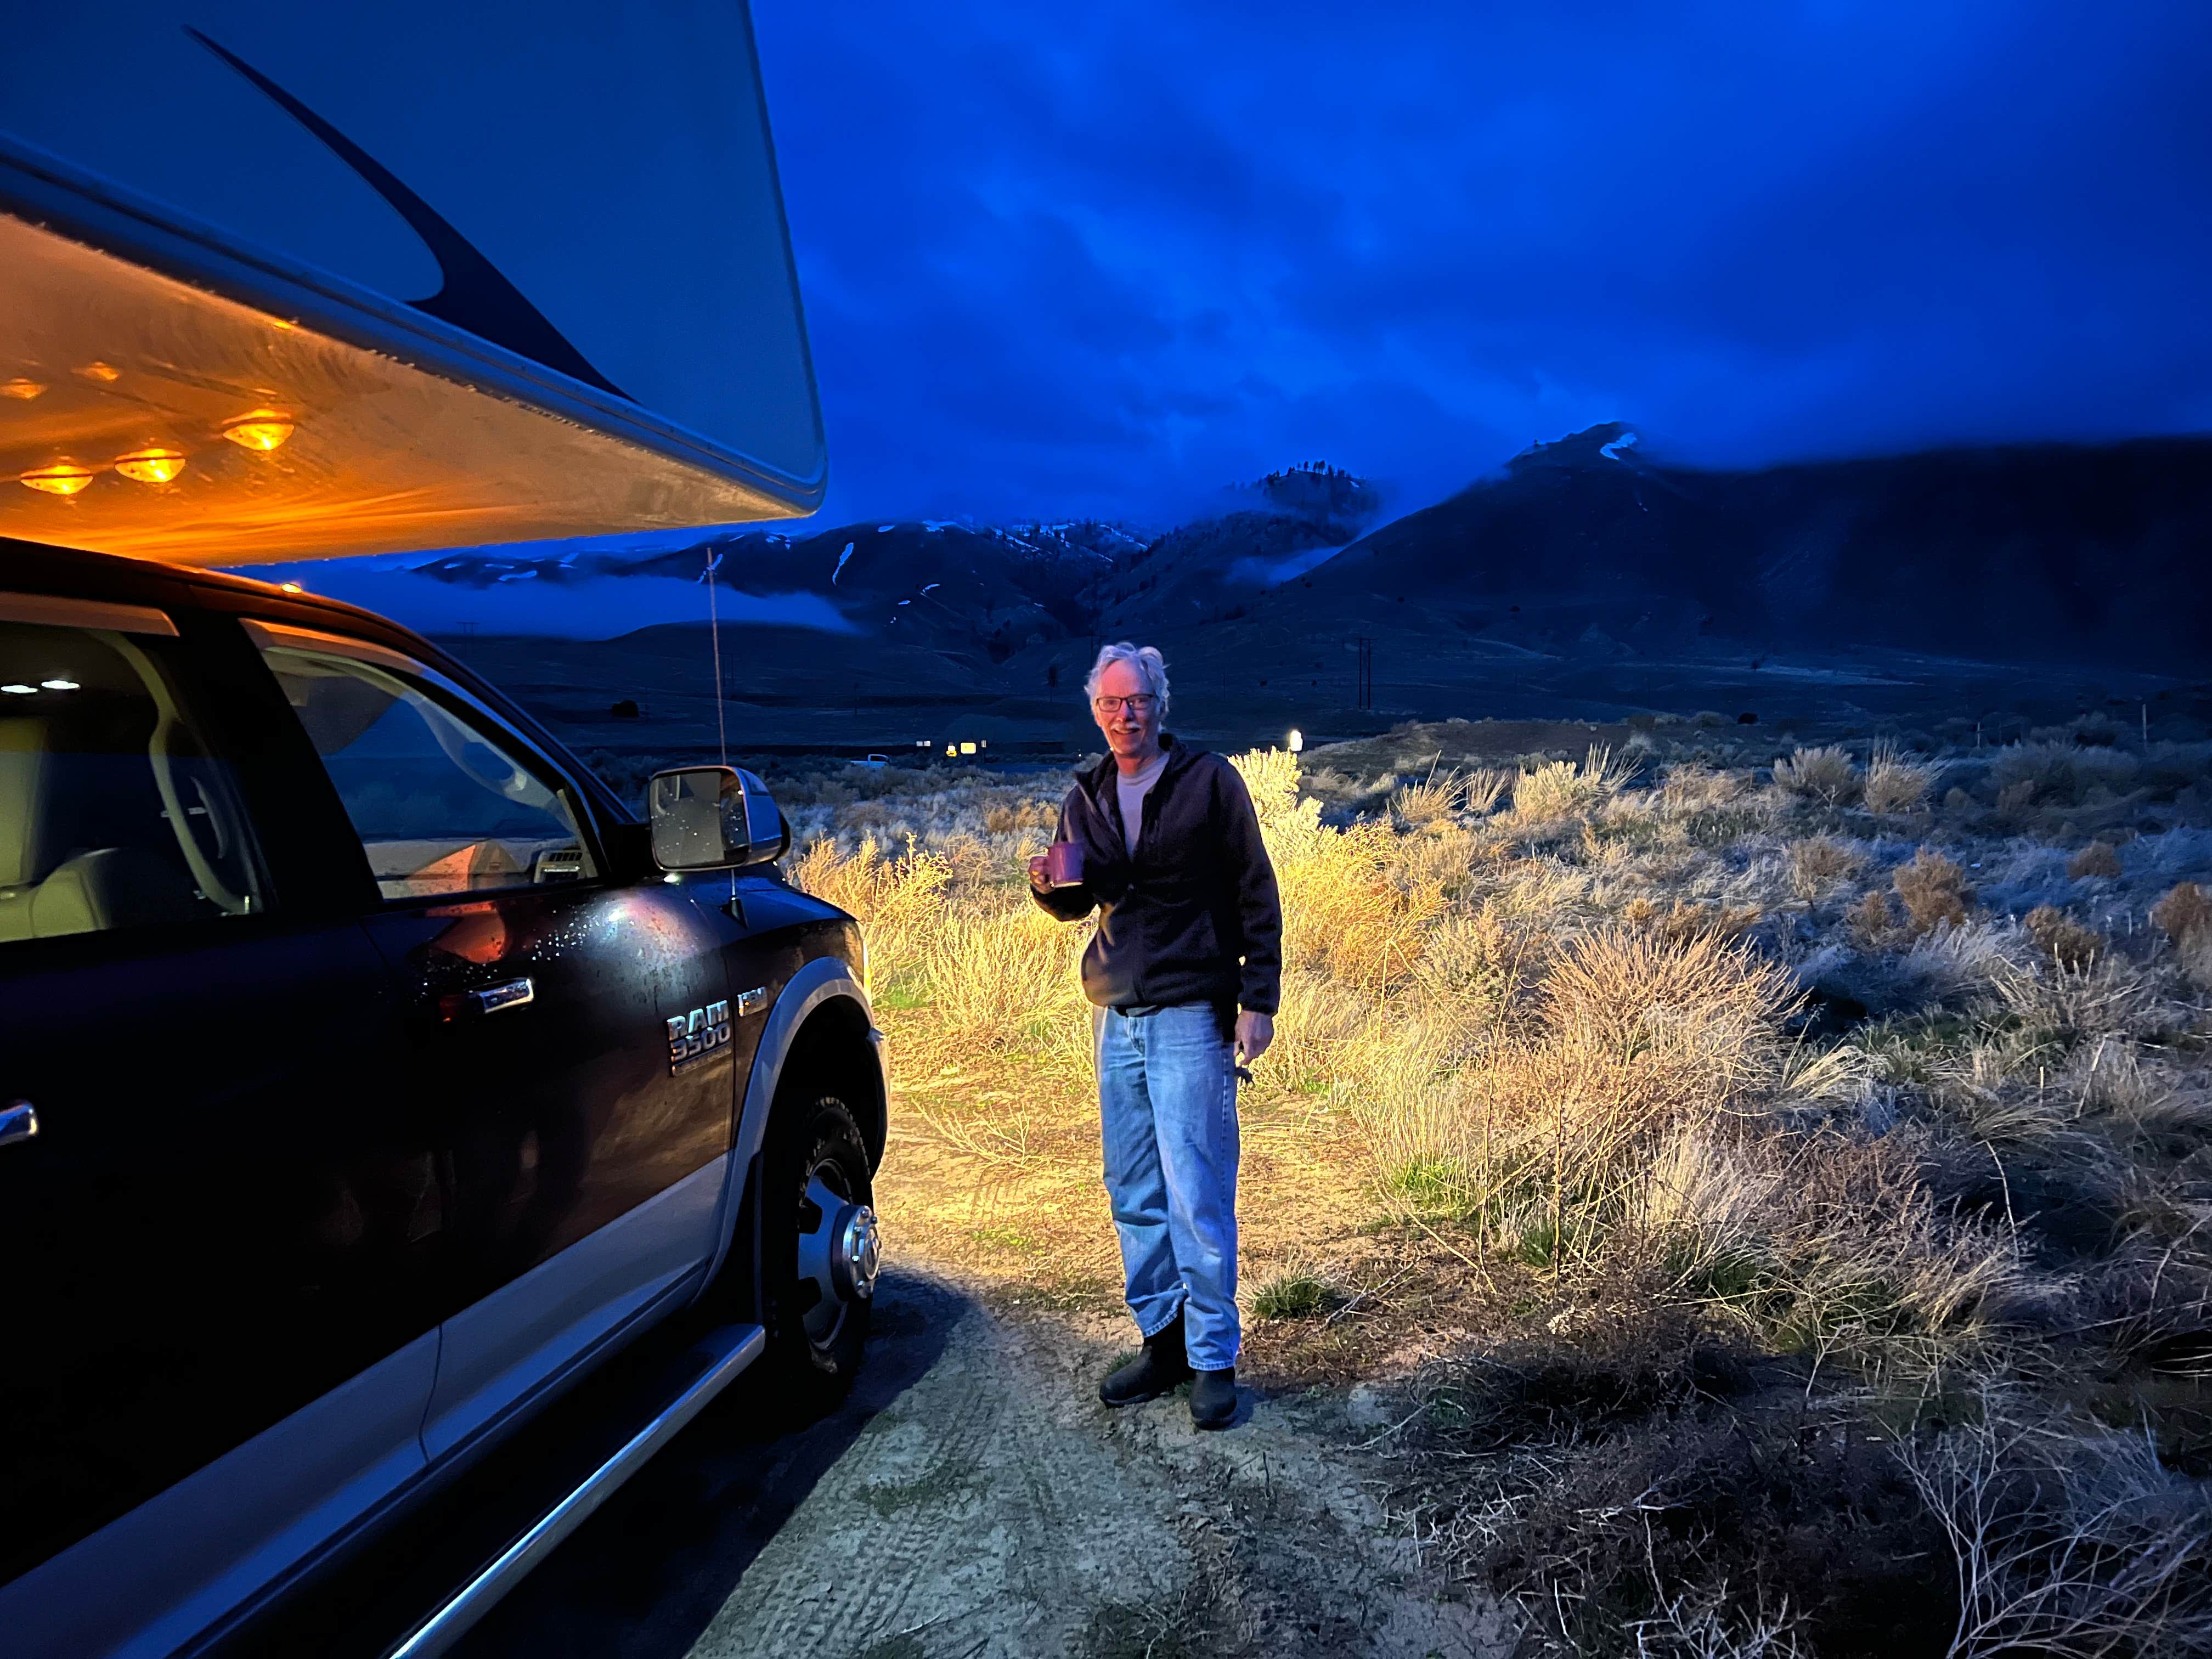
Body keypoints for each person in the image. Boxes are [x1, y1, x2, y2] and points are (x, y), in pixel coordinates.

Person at [1028, 642, 1282, 1430]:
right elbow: (1081, 904)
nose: (1122, 715)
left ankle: (1213, 1358)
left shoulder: (1210, 783)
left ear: (1159, 702)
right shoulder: (1089, 793)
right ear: (1094, 709)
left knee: (1197, 1191)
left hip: (1188, 1013)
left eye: (1135, 700)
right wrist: (1049, 890)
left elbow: (1255, 892)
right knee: (1133, 1190)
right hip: (1117, 1015)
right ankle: (1163, 1340)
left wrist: (1257, 999)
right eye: (1108, 703)